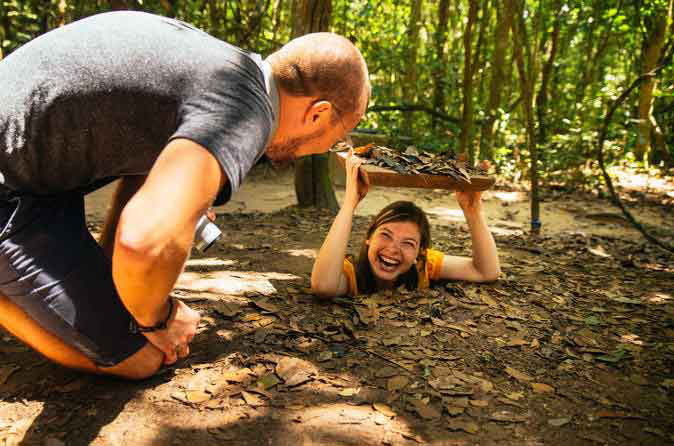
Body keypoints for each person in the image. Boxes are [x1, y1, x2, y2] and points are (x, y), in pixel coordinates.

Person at [0, 11, 370, 379]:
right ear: (318, 114)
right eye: (336, 138)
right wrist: (157, 320)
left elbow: (143, 174)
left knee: (127, 312)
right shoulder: (245, 111)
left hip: (37, 177)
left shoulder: (223, 68)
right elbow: (144, 241)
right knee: (141, 357)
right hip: (15, 190)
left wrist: (124, 293)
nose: (326, 149)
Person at [311, 152, 500, 297]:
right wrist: (350, 203)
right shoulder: (350, 274)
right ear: (368, 238)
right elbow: (323, 287)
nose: (393, 249)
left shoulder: (423, 266)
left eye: (408, 243)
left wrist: (473, 211)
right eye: (385, 235)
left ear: (420, 253)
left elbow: (486, 271)